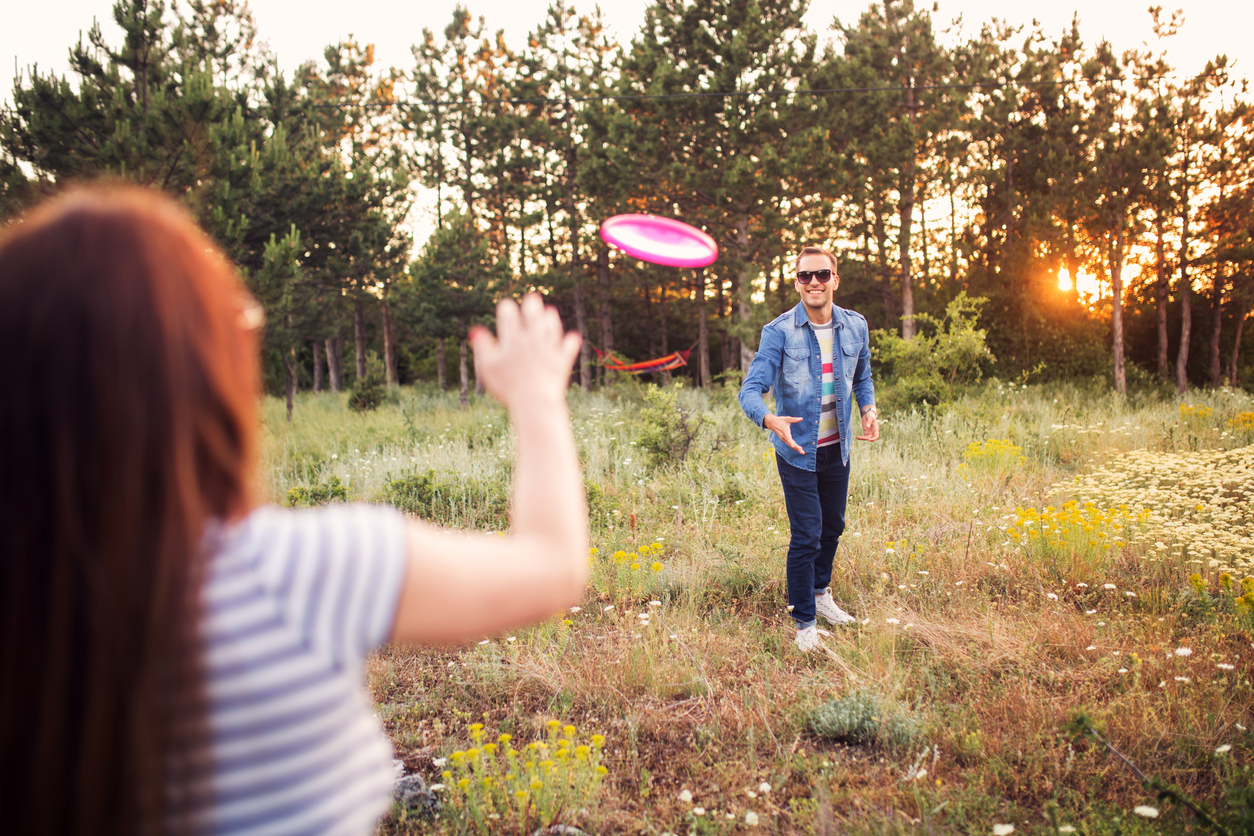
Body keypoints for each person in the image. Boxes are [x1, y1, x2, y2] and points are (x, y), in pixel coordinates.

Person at [0, 186, 588, 836]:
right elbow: (554, 566)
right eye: (237, 321)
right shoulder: (292, 574)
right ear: (196, 371)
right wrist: (536, 397)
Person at [738, 245, 879, 653]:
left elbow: (863, 374)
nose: (813, 283)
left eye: (821, 275)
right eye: (805, 277)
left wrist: (867, 408)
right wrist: (768, 418)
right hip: (797, 449)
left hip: (838, 448)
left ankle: (820, 594)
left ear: (835, 280)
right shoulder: (778, 331)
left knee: (833, 527)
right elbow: (750, 389)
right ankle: (804, 625)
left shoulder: (855, 326)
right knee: (807, 535)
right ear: (796, 283)